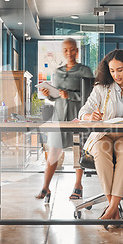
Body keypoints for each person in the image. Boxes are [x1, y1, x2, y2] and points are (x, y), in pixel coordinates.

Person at [78, 49, 123, 225]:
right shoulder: (101, 88)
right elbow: (83, 112)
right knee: (102, 152)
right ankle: (114, 208)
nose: (116, 75)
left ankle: (111, 209)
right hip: (103, 134)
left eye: (120, 69)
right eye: (112, 71)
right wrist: (91, 117)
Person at [36, 38, 93, 202]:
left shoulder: (85, 71)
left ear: (77, 51)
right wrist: (50, 95)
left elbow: (90, 97)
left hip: (77, 116)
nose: (69, 53)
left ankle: (78, 185)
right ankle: (45, 187)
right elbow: (57, 97)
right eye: (66, 50)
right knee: (53, 151)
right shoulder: (58, 72)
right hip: (59, 116)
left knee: (78, 151)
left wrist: (71, 95)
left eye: (72, 49)